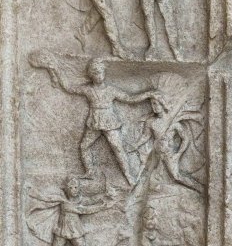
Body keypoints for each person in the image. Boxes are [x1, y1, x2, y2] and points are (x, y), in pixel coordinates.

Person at [41, 57, 157, 185]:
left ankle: (128, 175)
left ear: (104, 73)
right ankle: (90, 172)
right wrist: (55, 70)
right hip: (94, 122)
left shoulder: (111, 90)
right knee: (84, 146)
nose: (99, 75)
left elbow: (130, 98)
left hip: (109, 121)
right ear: (91, 75)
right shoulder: (88, 89)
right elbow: (69, 88)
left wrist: (147, 94)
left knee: (117, 148)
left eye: (100, 72)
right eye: (95, 73)